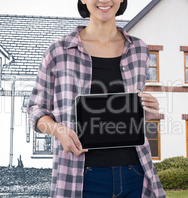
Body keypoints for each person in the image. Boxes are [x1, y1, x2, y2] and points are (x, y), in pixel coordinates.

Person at [27, 0, 166, 197]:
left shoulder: (139, 50)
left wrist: (147, 112)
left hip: (135, 172)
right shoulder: (59, 51)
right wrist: (58, 131)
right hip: (81, 176)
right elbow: (35, 108)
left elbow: (126, 113)